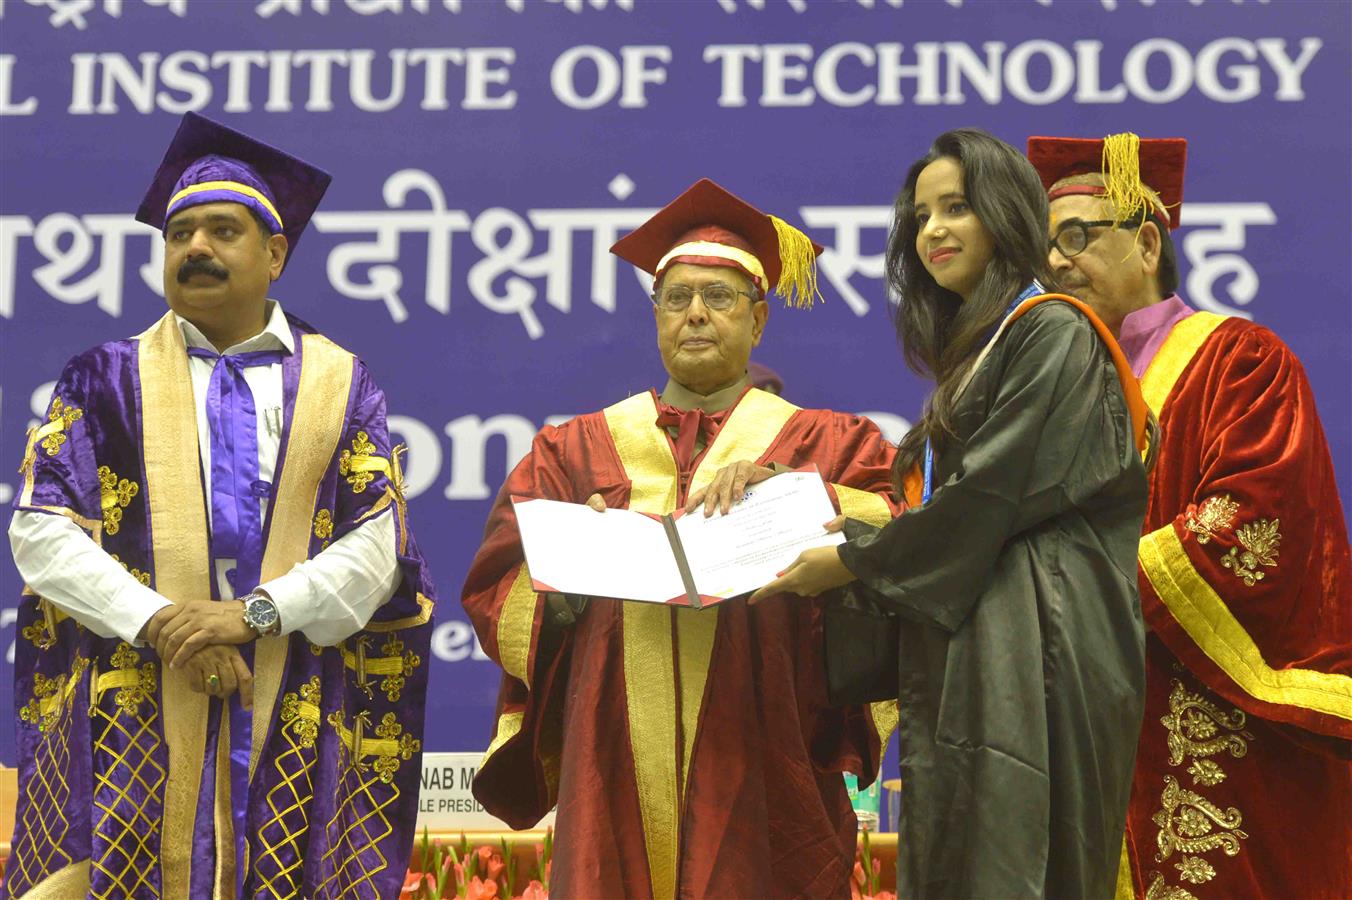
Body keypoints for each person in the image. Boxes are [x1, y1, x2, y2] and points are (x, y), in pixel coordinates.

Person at [6, 112, 435, 899]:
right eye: (179, 234)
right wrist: (165, 624)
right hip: (128, 712)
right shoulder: (103, 380)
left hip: (287, 709)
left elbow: (376, 553)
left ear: (274, 254)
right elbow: (42, 534)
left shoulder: (342, 383)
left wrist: (252, 615)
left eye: (221, 230)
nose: (195, 248)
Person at [461, 178, 901, 899]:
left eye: (720, 297)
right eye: (676, 298)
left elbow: (901, 539)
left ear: (759, 320)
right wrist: (572, 573)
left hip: (770, 749)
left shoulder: (830, 443)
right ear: (656, 316)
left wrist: (800, 495)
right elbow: (496, 583)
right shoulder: (572, 452)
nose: (695, 313)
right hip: (612, 756)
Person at [755, 128, 1151, 898]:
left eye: (957, 208)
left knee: (1018, 863)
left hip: (1044, 647)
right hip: (984, 642)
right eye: (921, 215)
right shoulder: (984, 349)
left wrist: (853, 559)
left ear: (1005, 216)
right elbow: (957, 505)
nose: (932, 229)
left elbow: (986, 499)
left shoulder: (1055, 332)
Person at [1028, 132, 1352, 899]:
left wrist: (1063, 585)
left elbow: (1252, 524)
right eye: (1044, 247)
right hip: (1069, 729)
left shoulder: (1237, 360)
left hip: (1203, 717)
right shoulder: (1040, 389)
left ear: (1146, 243)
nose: (1057, 264)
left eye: (1078, 237)